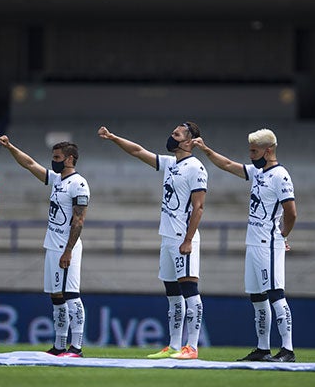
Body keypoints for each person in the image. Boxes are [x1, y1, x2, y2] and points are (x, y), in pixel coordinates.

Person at [98, 123, 207, 360]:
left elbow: (199, 207)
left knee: (190, 290)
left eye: (177, 134)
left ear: (189, 142)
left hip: (182, 238)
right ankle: (174, 345)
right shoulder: (170, 163)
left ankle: (193, 346)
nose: (171, 136)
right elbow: (138, 151)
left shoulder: (196, 167)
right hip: (167, 237)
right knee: (172, 293)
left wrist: (188, 239)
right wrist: (114, 136)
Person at [192, 128, 297, 362]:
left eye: (254, 150)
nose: (250, 155)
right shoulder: (259, 173)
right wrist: (206, 150)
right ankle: (262, 348)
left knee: (276, 295)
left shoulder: (280, 175)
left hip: (268, 242)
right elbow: (229, 165)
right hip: (253, 242)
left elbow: (291, 212)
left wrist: (282, 235)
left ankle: (288, 350)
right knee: (258, 297)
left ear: (268, 150)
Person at [0, 135, 89, 358]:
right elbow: (29, 164)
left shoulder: (79, 183)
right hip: (52, 245)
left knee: (71, 296)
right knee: (56, 297)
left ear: (70, 159)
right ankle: (59, 345)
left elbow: (79, 220)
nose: (53, 161)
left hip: (67, 248)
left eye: (57, 157)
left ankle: (76, 347)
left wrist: (68, 250)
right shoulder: (57, 180)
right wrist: (10, 146)